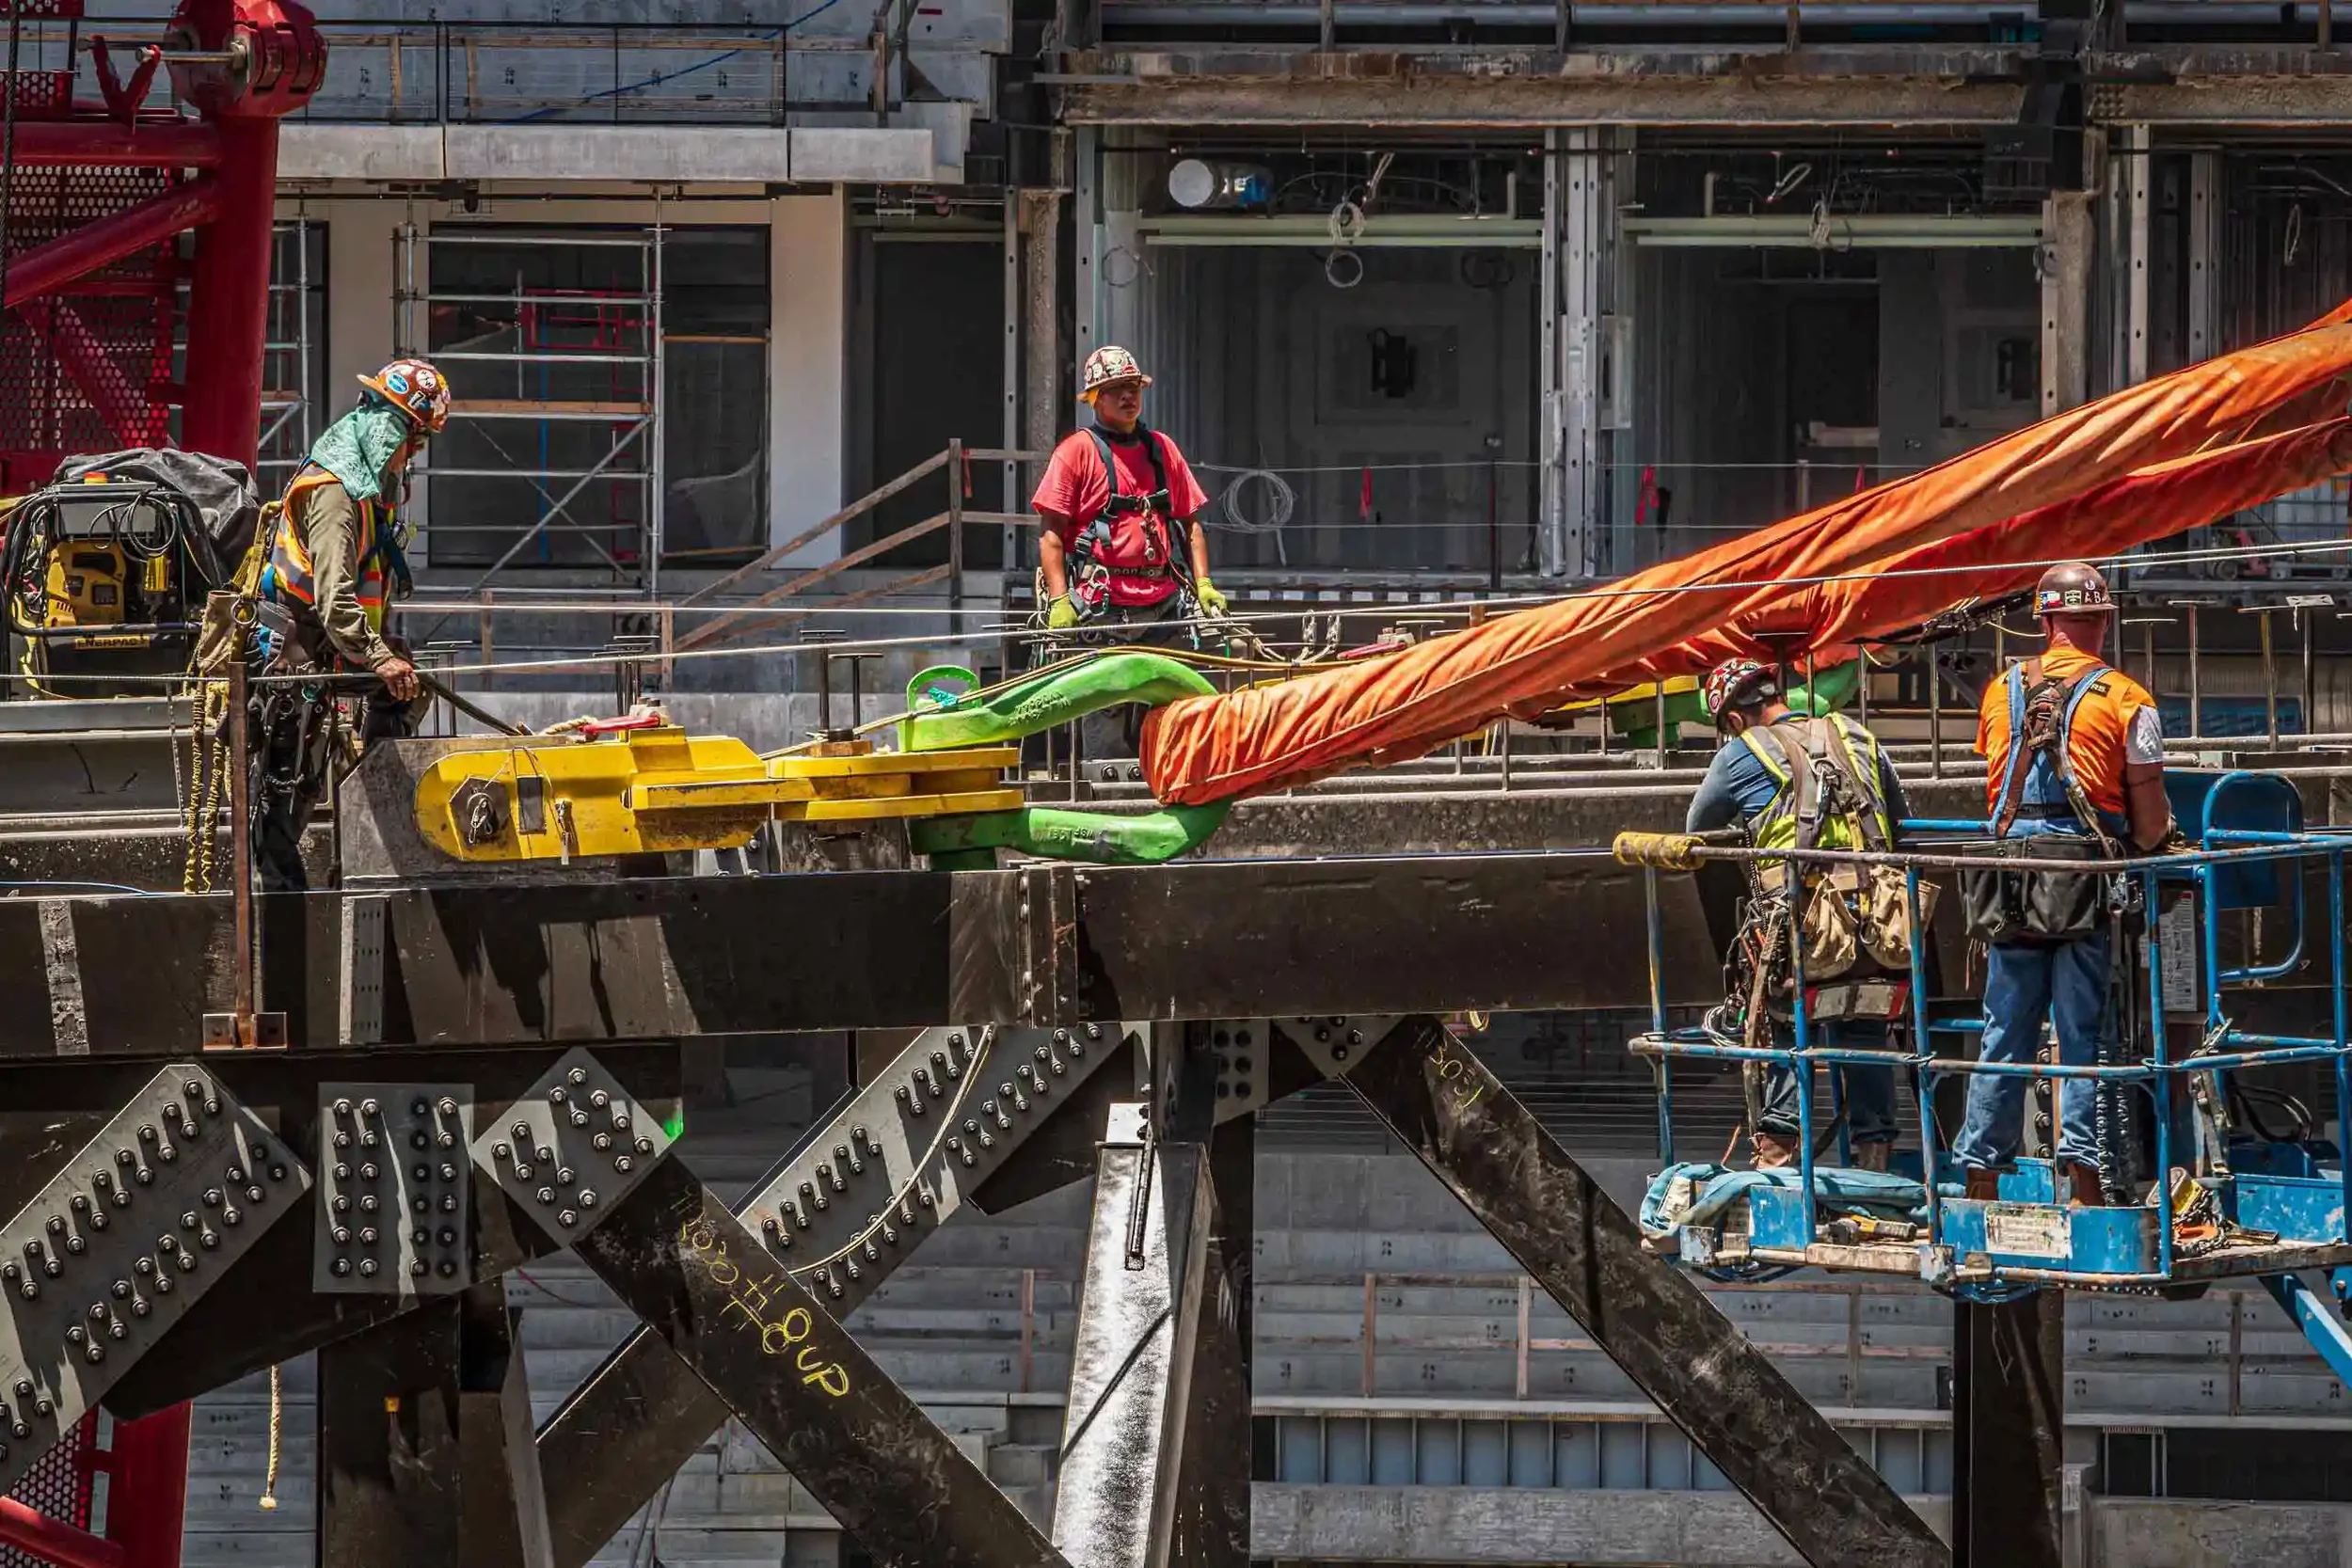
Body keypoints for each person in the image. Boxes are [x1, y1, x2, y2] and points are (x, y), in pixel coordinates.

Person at [1954, 562, 2173, 1206]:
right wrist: (2153, 842)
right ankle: (2084, 1183)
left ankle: (1979, 1177)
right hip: (2082, 879)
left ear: (2044, 621)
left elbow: (2002, 781)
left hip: (2009, 877)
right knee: (2083, 1034)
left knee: (2004, 1029)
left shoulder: (2000, 691)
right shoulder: (2128, 699)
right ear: (2103, 621)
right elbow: (2151, 823)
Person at [1690, 657, 1913, 1171]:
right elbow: (1899, 821)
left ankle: (1777, 1154)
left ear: (1734, 719)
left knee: (1789, 1028)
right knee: (1863, 1026)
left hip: (1804, 925)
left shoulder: (1741, 752)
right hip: (1881, 923)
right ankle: (1874, 1157)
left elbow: (1697, 826)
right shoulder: (1856, 735)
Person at [247, 357, 450, 889]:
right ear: (390, 432)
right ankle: (282, 902)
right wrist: (379, 657)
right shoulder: (336, 493)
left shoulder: (364, 489)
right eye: (413, 442)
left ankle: (367, 820)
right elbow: (334, 599)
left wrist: (384, 652)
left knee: (407, 687)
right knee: (288, 787)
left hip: (328, 644)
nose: (412, 456)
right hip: (295, 654)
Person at [1030, 344, 1227, 757]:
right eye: (1115, 389)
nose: (1127, 396)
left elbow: (1191, 525)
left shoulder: (1161, 450)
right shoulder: (1076, 453)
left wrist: (1204, 584)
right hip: (1104, 613)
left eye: (1133, 387)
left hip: (1163, 608)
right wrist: (1060, 599)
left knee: (1175, 718)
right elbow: (1051, 535)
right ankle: (1109, 794)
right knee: (1106, 725)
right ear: (1094, 398)